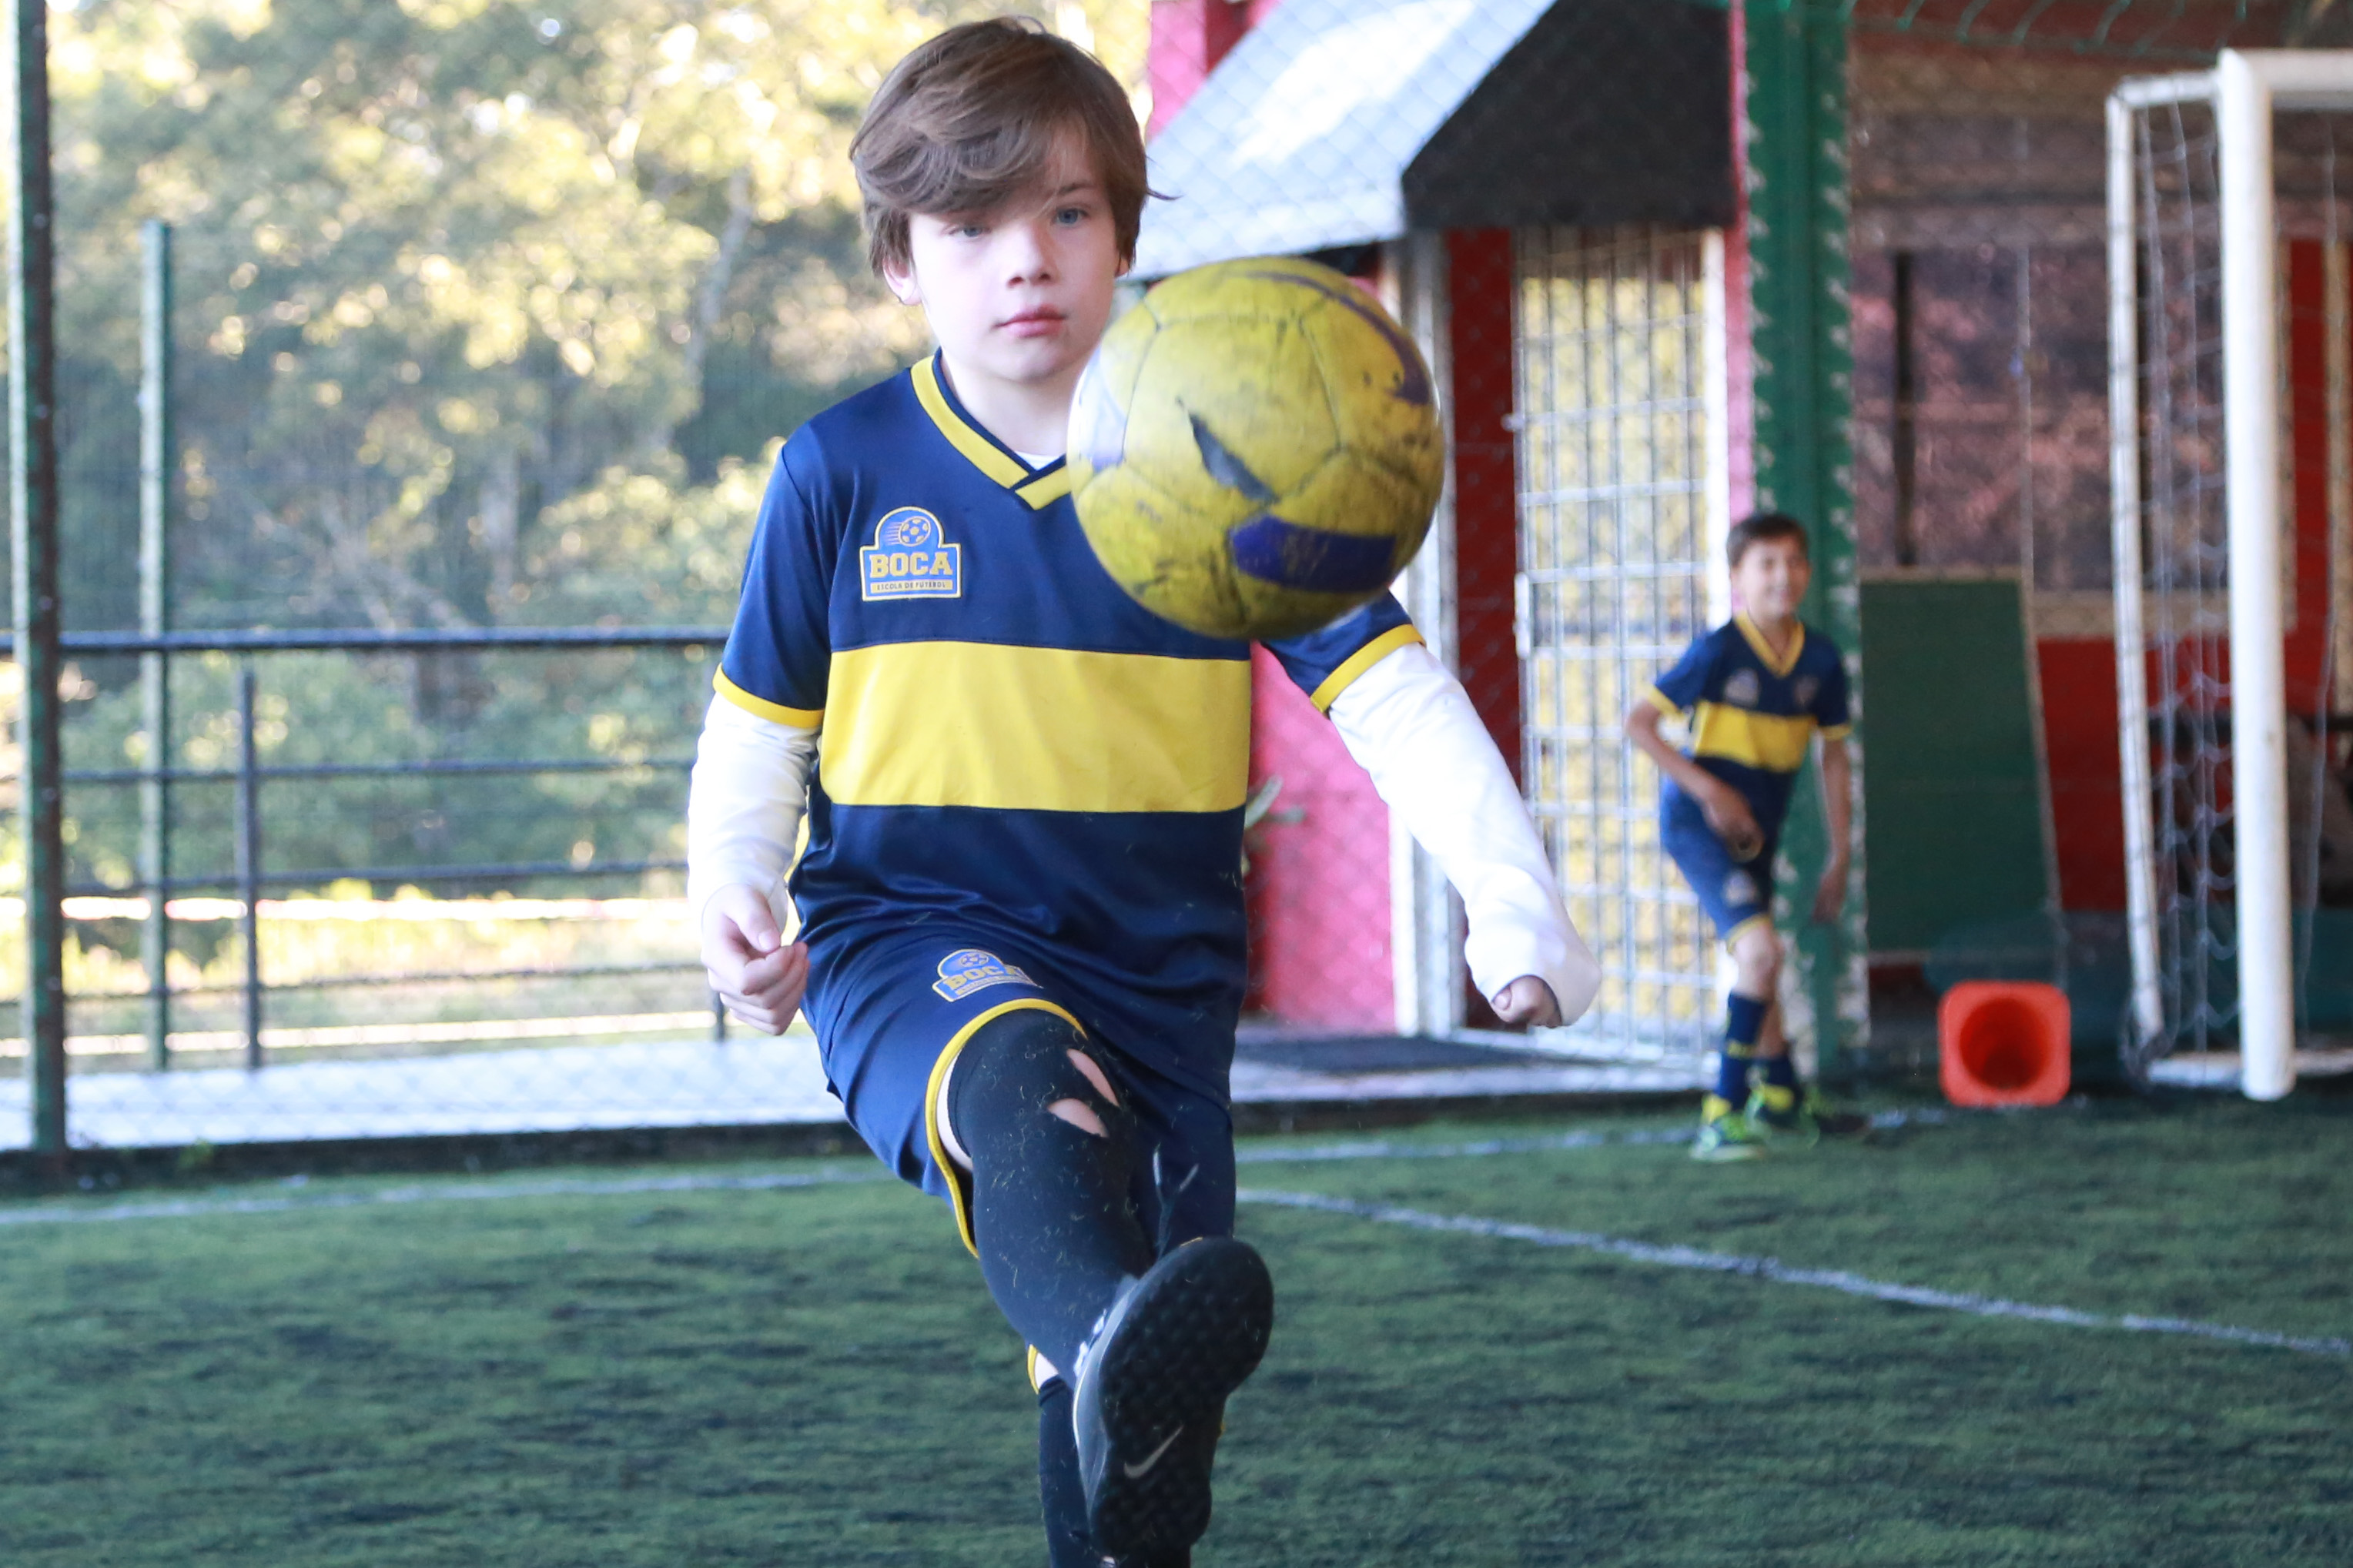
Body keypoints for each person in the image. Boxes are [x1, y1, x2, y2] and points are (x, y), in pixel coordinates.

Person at [688, 18, 1600, 1566]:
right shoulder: (841, 469)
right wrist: (731, 896)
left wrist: (1515, 899)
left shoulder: (1218, 458)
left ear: (1120, 229)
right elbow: (758, 731)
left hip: (1164, 975)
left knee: (1130, 1441)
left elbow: (1394, 699)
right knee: (1015, 1081)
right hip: (911, 930)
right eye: (969, 228)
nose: (1024, 260)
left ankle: (1115, 1376)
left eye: (1065, 213)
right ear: (901, 263)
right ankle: (1115, 1329)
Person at [1625, 511, 1867, 1162]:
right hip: (1699, 824)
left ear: (1809, 572)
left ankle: (1782, 1095)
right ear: (1737, 576)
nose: (1781, 576)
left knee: (1760, 959)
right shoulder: (1718, 650)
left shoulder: (1821, 660)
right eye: (1765, 563)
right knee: (1761, 953)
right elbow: (1640, 723)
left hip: (1759, 834)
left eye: (1793, 562)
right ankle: (1721, 1112)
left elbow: (1835, 756)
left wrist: (1841, 853)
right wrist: (1711, 790)